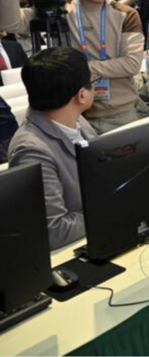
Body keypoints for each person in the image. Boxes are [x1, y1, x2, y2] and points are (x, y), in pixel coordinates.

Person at [0, 0, 145, 133]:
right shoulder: (58, 11)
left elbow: (131, 63)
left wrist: (80, 70)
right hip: (70, 116)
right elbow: (9, 23)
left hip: (119, 113)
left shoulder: (126, 15)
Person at [9, 47, 97, 250]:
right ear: (81, 95)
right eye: (93, 83)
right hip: (69, 253)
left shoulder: (77, 121)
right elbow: (54, 230)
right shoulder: (32, 151)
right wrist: (110, 208)